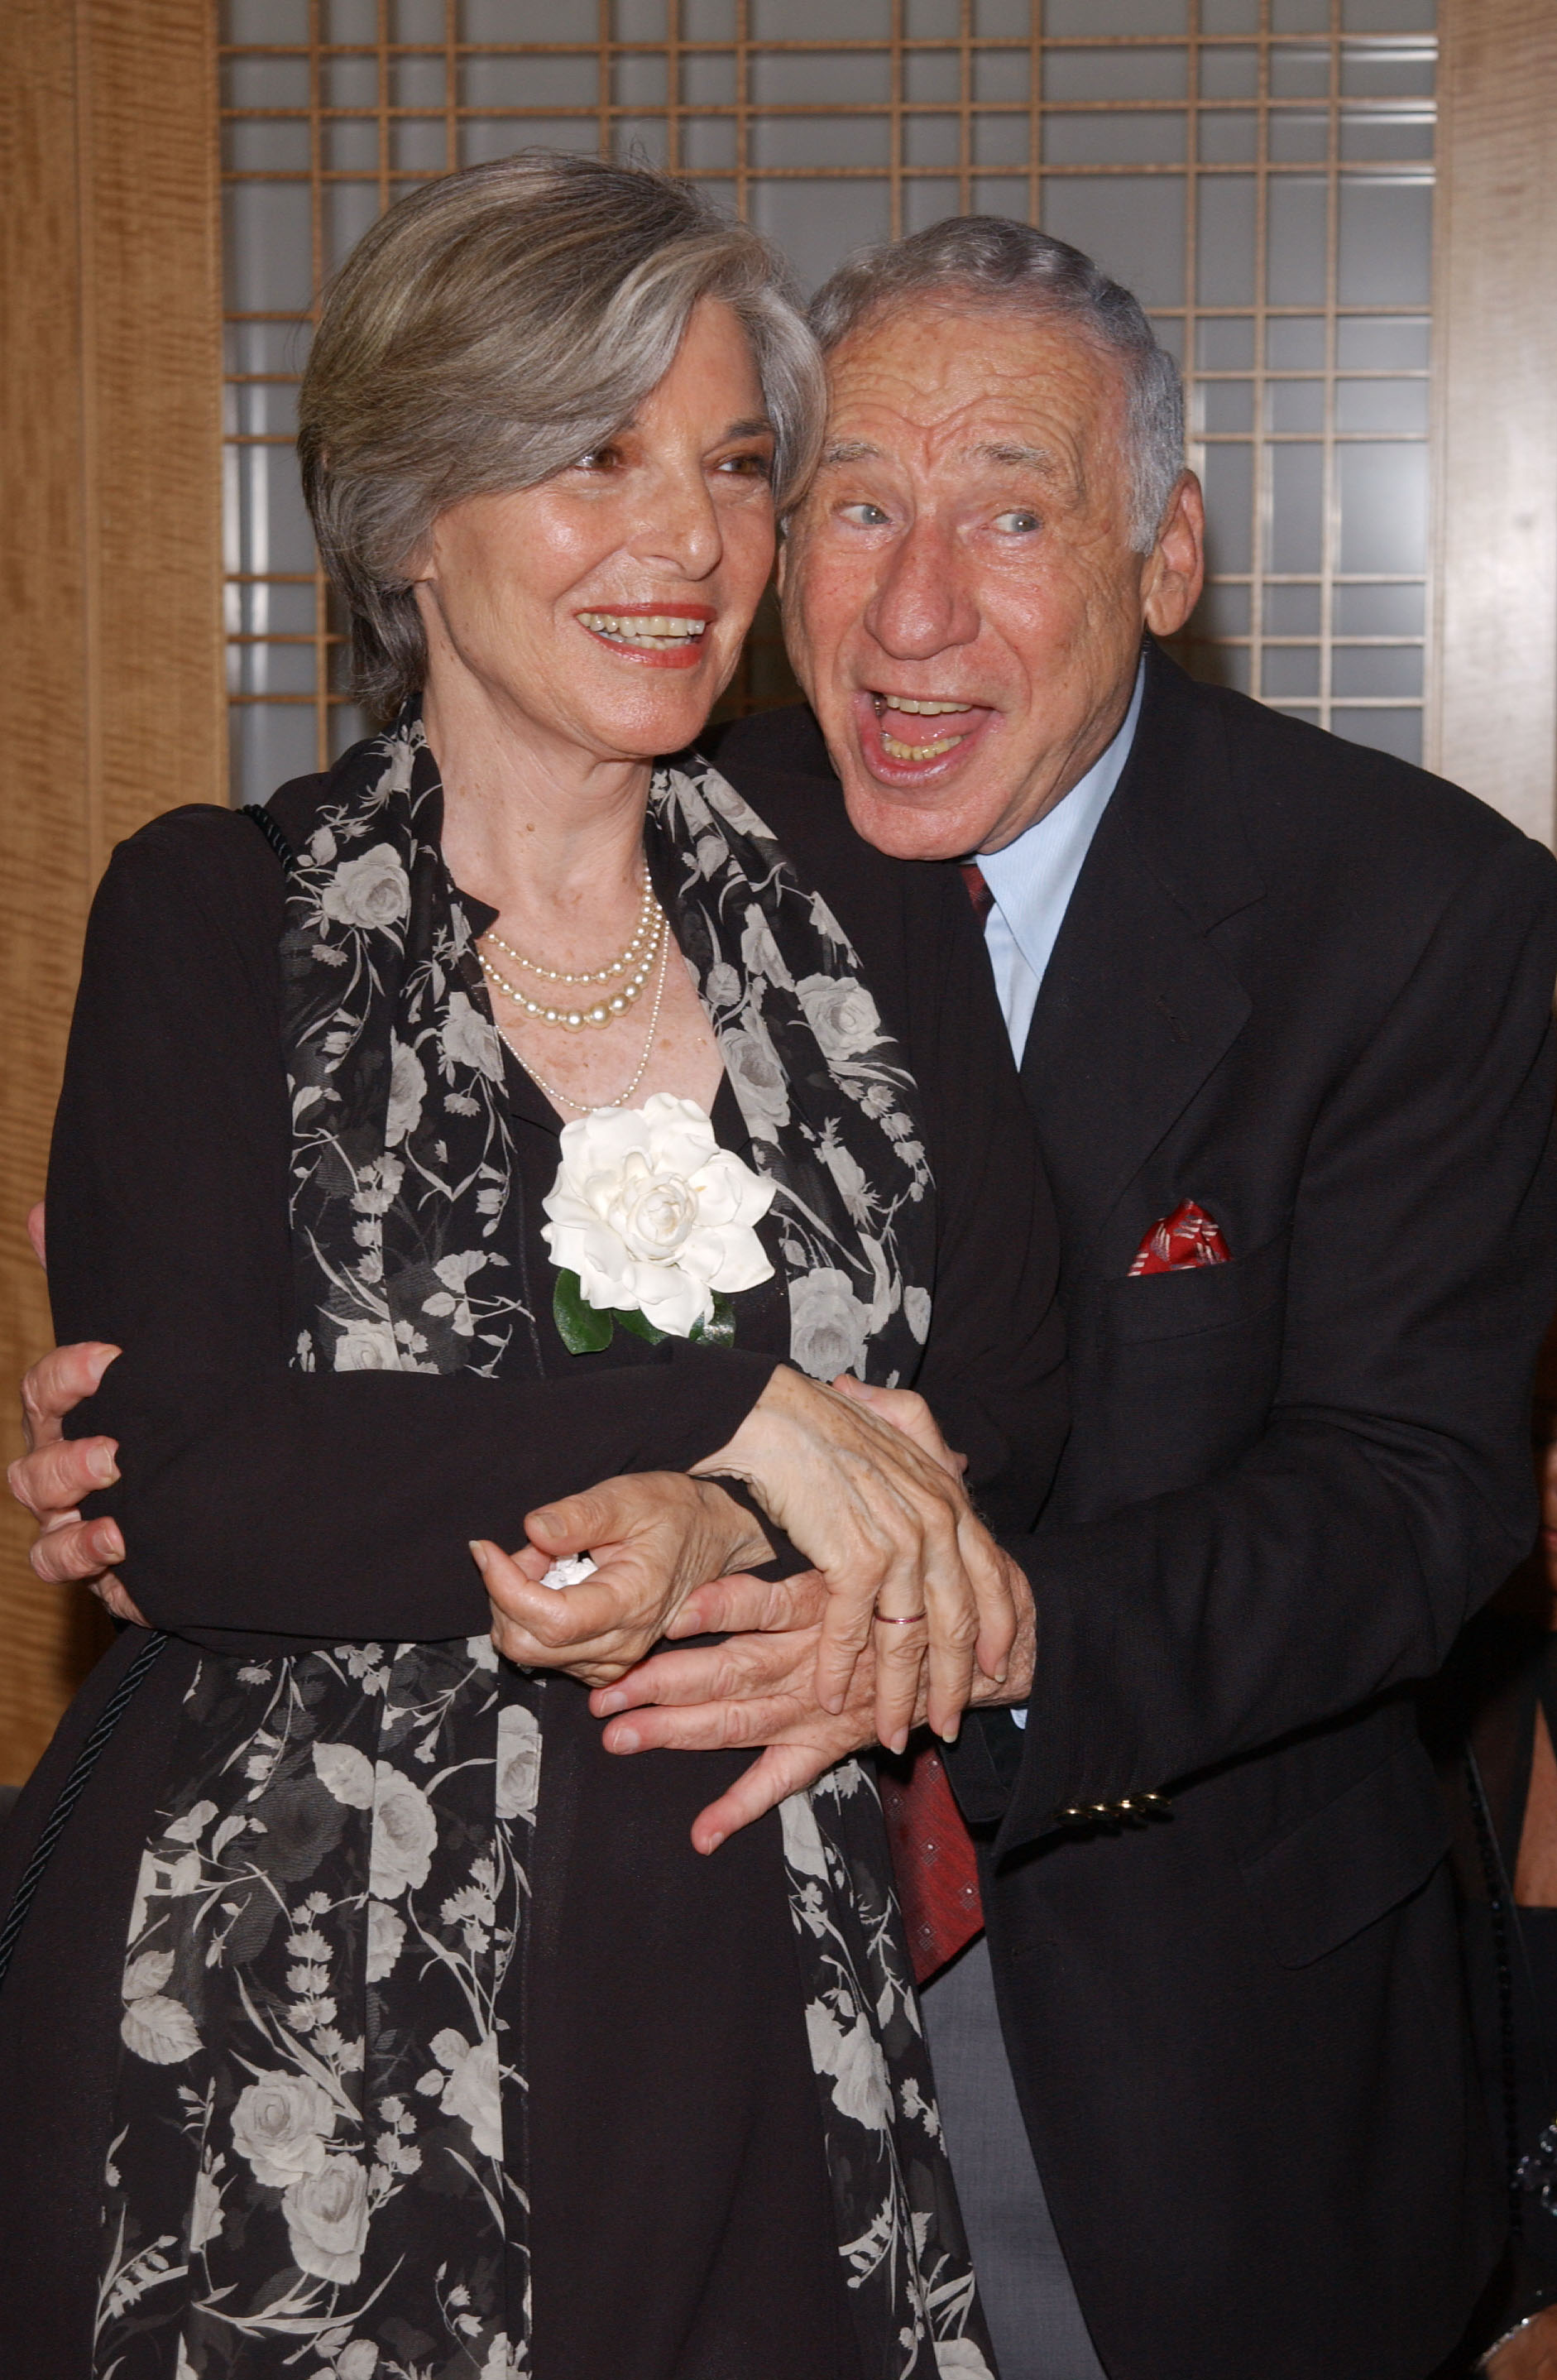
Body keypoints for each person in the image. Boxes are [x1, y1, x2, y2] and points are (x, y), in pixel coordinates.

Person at [21, 214, 1557, 2378]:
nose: (907, 606)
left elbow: (1396, 1490)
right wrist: (689, 1430)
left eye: (1010, 513)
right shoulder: (557, 832)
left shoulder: (1398, 914)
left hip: (1136, 2011)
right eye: (845, 501)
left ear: (1166, 548)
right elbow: (209, 1442)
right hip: (386, 2010)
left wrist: (908, 1595)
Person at [0, 161, 1071, 2380]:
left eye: (735, 466)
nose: (687, 540)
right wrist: (729, 1405)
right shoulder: (215, 916)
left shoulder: (872, 928)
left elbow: (1015, 1421)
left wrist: (720, 1510)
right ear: (406, 513)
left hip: (766, 1983)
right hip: (279, 2010)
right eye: (594, 457)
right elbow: (198, 1486)